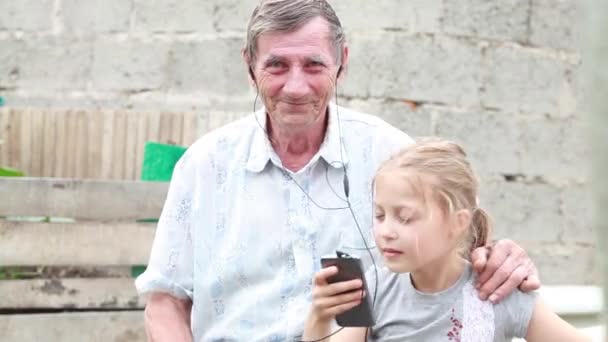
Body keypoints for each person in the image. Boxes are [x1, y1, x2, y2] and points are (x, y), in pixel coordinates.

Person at [136, 1, 541, 341]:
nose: (295, 87)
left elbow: (460, 243)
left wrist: (502, 257)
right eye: (276, 65)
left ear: (341, 63)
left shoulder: (391, 153)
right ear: (249, 66)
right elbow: (165, 303)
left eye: (313, 65)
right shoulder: (204, 165)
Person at [303, 138, 591, 342]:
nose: (386, 231)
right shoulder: (371, 289)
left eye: (404, 217)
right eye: (379, 216)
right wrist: (318, 317)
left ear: (458, 222)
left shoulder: (498, 294)